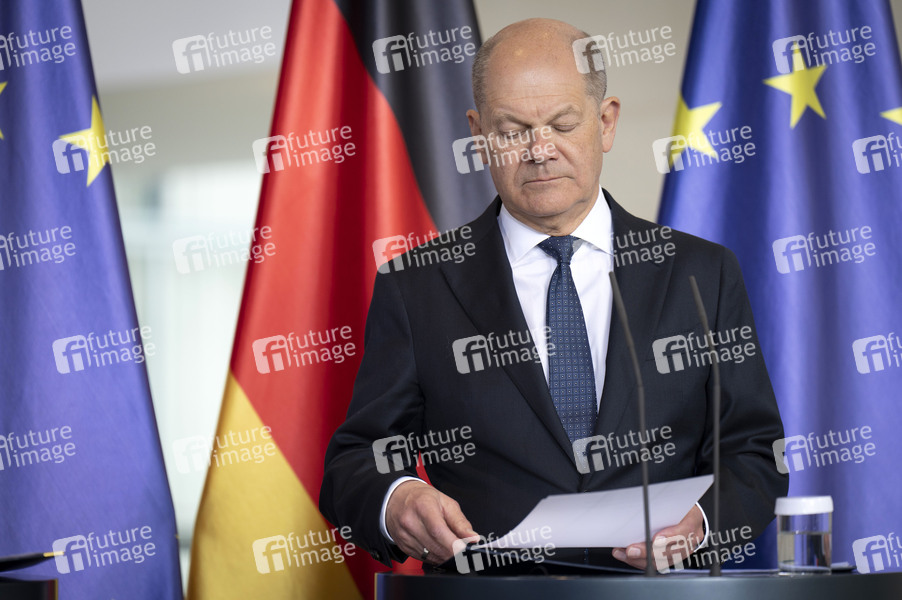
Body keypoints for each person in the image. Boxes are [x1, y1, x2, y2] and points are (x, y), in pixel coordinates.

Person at [320, 17, 787, 571]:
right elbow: (356, 462)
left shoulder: (701, 273)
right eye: (512, 130)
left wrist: (703, 523)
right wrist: (397, 498)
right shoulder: (417, 285)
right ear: (478, 134)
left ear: (606, 122)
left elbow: (754, 452)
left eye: (562, 124)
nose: (540, 150)